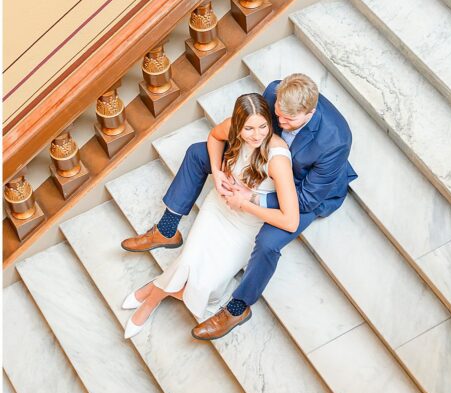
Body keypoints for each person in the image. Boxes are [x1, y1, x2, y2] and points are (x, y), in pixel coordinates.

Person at [120, 74, 357, 340]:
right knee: (198, 153)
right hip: (260, 166)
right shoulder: (274, 92)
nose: (280, 123)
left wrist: (251, 198)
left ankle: (238, 307)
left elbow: (306, 200)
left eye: (289, 121)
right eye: (277, 115)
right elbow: (243, 129)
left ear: (310, 113)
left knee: (268, 243)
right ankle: (167, 228)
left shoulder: (335, 140)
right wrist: (220, 172)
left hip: (304, 189)